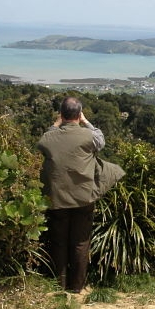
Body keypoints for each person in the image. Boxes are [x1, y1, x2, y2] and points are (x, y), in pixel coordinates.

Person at [38, 96, 106, 294]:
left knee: (58, 241)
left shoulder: (49, 138)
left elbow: (42, 141)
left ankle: (58, 285)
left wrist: (56, 124)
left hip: (57, 198)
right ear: (79, 114)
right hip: (83, 198)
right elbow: (100, 140)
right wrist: (85, 122)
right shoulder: (88, 136)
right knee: (80, 242)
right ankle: (77, 287)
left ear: (62, 114)